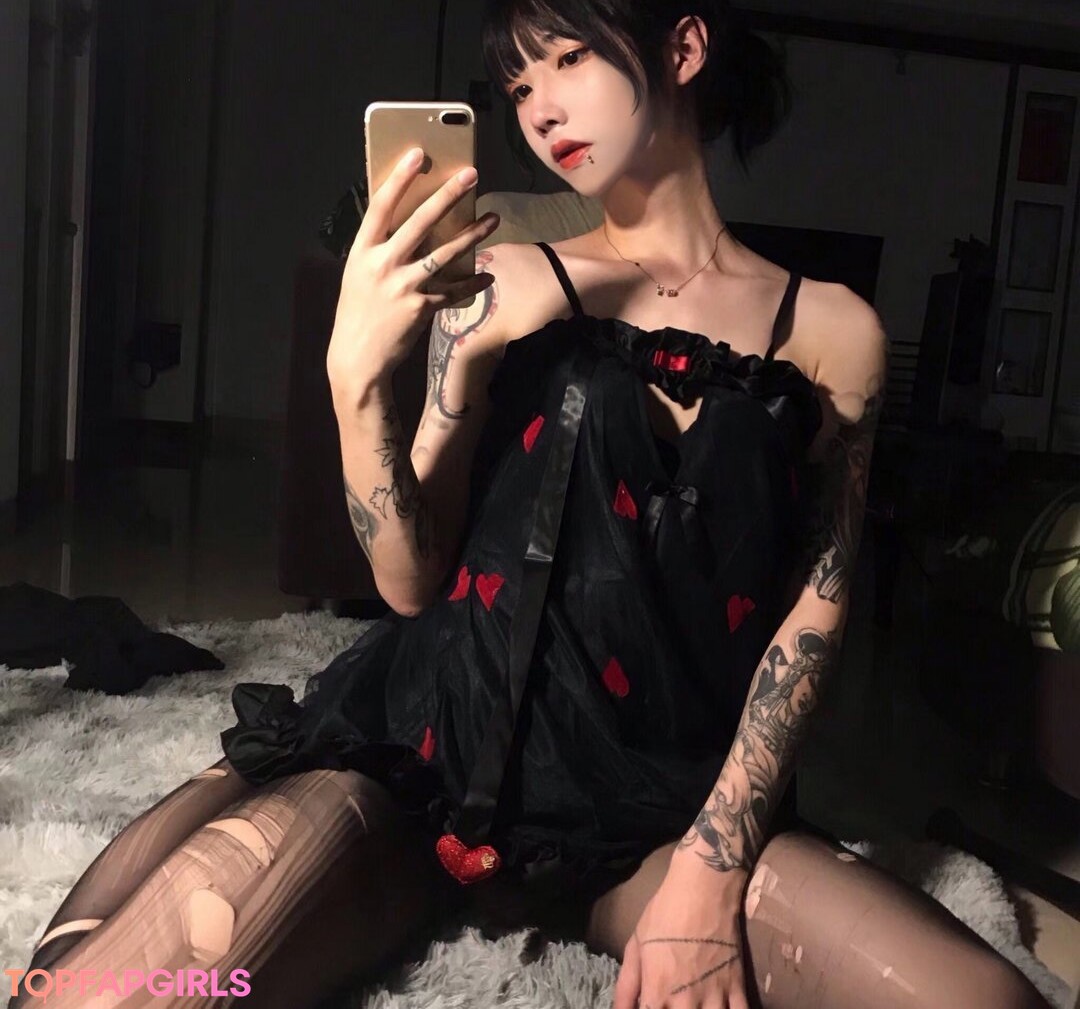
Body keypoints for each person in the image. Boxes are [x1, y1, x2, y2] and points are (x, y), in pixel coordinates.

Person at [9, 2, 1052, 1008]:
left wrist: (714, 859)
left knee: (984, 995)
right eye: (516, 84)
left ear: (684, 47)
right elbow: (408, 580)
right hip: (430, 764)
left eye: (568, 59)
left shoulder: (834, 332)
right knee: (120, 981)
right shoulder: (505, 280)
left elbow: (813, 611)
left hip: (653, 811)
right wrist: (354, 379)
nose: (539, 107)